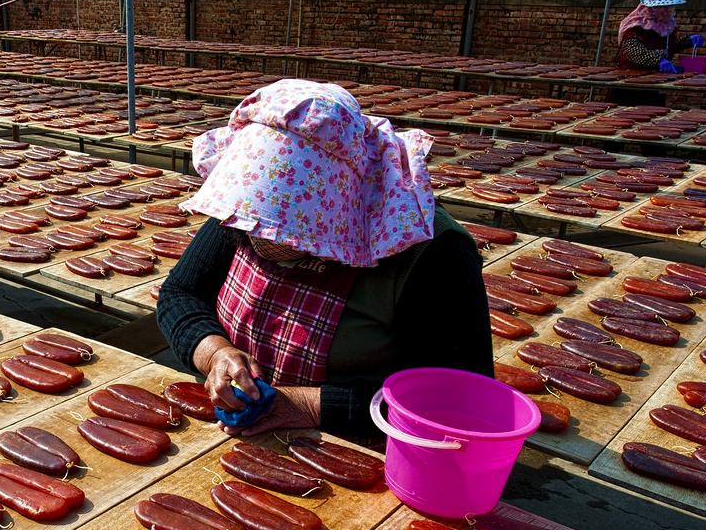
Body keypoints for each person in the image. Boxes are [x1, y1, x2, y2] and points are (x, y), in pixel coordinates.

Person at [156, 79, 493, 443]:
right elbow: (180, 293)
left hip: (368, 455)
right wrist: (214, 353)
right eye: (255, 220)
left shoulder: (434, 255)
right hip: (240, 433)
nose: (261, 237)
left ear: (342, 205)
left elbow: (460, 400)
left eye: (286, 230)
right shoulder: (246, 208)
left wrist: (312, 404)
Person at [612, 0, 705, 105]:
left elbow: (665, 46)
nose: (671, 10)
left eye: (672, 6)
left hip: (655, 85)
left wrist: (688, 41)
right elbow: (632, 50)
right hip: (631, 87)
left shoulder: (667, 25)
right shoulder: (636, 27)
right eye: (667, 6)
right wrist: (658, 60)